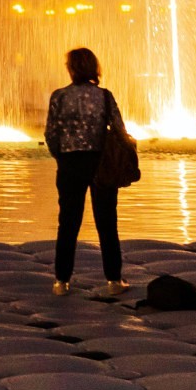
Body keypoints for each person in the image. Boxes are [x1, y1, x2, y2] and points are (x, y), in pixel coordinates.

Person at [45, 47, 129, 299]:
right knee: (107, 222)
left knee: (68, 222)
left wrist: (61, 157)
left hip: (70, 163)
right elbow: (119, 130)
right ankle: (114, 279)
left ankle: (62, 281)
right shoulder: (104, 96)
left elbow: (51, 133)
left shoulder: (59, 96)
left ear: (71, 69)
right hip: (100, 163)